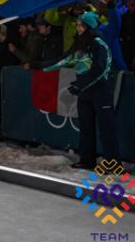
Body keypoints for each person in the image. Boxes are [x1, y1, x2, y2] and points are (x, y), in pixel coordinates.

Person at [42, 12, 118, 169]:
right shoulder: (80, 43)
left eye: (80, 25)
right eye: (77, 25)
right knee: (85, 127)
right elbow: (67, 58)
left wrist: (80, 84)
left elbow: (100, 68)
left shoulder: (99, 43)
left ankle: (112, 163)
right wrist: (41, 66)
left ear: (88, 27)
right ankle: (86, 160)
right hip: (85, 93)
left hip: (100, 91)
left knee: (106, 129)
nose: (77, 28)